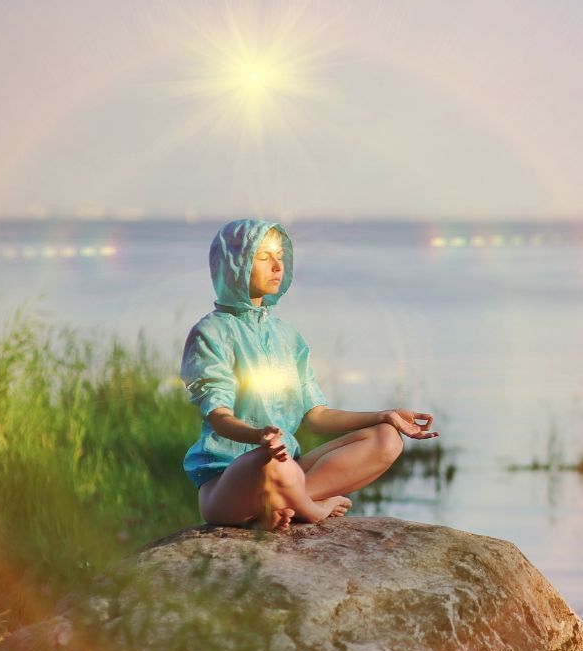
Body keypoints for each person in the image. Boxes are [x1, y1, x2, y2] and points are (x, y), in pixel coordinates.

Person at [180, 218, 439, 533]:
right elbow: (219, 415)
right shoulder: (210, 333)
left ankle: (282, 507)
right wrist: (258, 436)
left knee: (386, 439)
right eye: (263, 257)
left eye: (280, 257)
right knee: (273, 460)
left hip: (288, 470)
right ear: (234, 264)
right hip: (230, 481)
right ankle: (312, 509)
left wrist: (384, 415)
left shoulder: (287, 336)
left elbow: (316, 416)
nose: (277, 266)